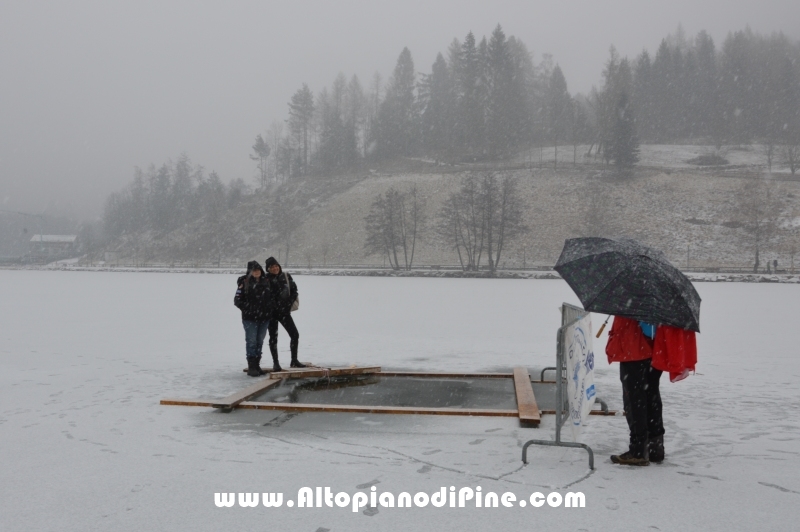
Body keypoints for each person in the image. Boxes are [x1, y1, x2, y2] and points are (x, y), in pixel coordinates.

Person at [605, 316, 664, 466]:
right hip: (654, 349)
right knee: (651, 395)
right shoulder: (655, 297)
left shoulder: (630, 297)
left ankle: (638, 450)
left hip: (633, 349)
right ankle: (655, 448)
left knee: (635, 399)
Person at [264, 256, 306, 371]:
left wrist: (287, 304)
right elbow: (264, 296)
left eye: (276, 266)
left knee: (295, 334)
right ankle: (276, 363)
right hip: (271, 314)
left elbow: (294, 291)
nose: (275, 268)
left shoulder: (286, 276)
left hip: (284, 312)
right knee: (273, 338)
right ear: (268, 269)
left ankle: (294, 360)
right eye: (272, 267)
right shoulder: (265, 279)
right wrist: (272, 305)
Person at [234, 260, 272, 377]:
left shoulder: (266, 282)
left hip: (264, 318)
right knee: (251, 341)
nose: (256, 272)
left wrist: (269, 309)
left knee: (259, 341)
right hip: (250, 318)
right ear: (250, 272)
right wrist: (249, 309)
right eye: (254, 270)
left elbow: (271, 298)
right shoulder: (244, 283)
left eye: (258, 270)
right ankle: (252, 367)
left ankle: (257, 365)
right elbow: (237, 300)